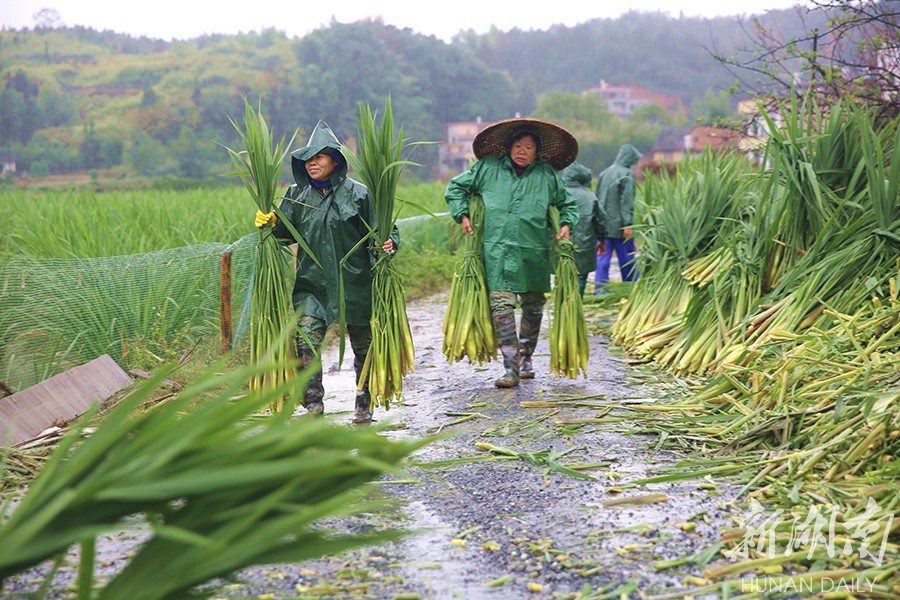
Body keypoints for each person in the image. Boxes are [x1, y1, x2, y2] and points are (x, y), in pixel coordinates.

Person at [258, 119, 398, 424]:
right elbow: (284, 235)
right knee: (305, 343)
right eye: (307, 159)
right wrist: (268, 224)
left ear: (335, 160)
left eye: (318, 157)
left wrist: (389, 242)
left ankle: (364, 402)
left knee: (364, 347)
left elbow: (385, 231)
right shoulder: (296, 196)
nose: (311, 164)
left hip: (354, 284)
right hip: (312, 287)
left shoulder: (360, 195)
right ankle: (313, 406)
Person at [444, 118, 580, 388]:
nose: (522, 151)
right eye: (517, 145)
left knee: (532, 308)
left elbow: (568, 204)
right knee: (501, 309)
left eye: (528, 147)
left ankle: (526, 357)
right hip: (497, 252)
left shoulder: (546, 175)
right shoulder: (487, 169)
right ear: (508, 148)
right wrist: (463, 215)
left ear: (537, 153)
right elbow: (456, 187)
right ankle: (511, 368)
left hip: (534, 253)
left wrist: (566, 224)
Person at [594, 143, 642, 292]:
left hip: (603, 226)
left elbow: (598, 198)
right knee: (627, 258)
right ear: (630, 159)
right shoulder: (627, 174)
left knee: (602, 259)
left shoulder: (604, 173)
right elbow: (626, 201)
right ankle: (631, 288)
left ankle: (600, 291)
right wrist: (627, 224)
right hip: (620, 227)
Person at [560, 161, 607, 297]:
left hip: (560, 243)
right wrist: (602, 241)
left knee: (561, 276)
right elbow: (601, 221)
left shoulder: (556, 194)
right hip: (584, 244)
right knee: (580, 276)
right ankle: (576, 306)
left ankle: (561, 306)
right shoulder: (590, 197)